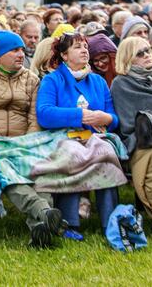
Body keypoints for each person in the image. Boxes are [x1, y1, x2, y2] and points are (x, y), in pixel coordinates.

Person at [0, 31, 65, 244]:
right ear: (0, 53)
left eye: (22, 50)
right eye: (14, 50)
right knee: (4, 168)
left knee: (41, 168)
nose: (21, 54)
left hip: (26, 141)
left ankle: (41, 225)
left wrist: (27, 144)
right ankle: (43, 210)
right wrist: (1, 145)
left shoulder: (31, 78)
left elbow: (34, 117)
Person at [36, 33, 123, 241]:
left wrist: (105, 117)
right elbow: (44, 114)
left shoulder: (98, 82)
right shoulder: (52, 80)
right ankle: (69, 222)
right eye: (77, 47)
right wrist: (79, 115)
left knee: (106, 153)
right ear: (64, 55)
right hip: (63, 137)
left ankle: (110, 220)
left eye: (85, 47)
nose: (85, 50)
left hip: (95, 138)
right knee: (73, 153)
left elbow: (114, 118)